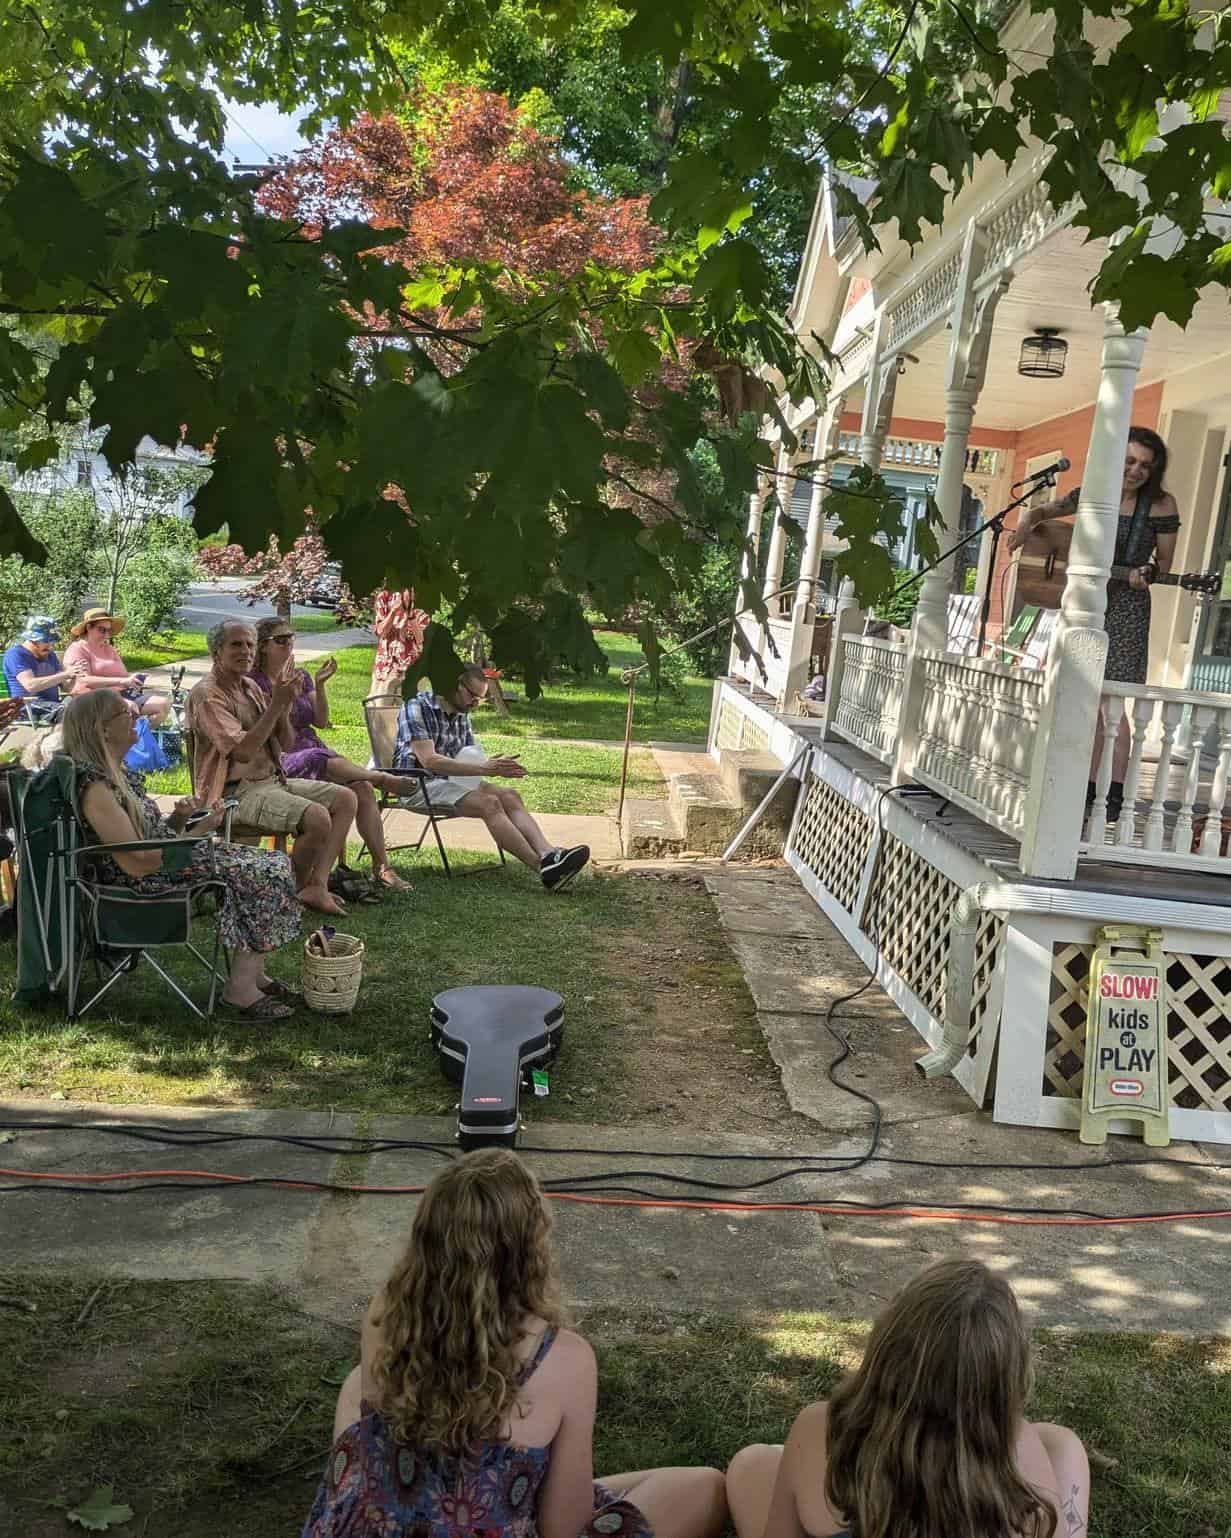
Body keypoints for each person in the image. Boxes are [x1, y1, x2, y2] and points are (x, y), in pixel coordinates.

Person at [303, 1147, 728, 1538]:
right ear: (530, 1247)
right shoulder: (564, 1359)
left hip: (376, 1521)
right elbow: (563, 1527)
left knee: (356, 1384)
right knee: (702, 1487)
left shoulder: (386, 1313)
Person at [726, 1259, 1089, 1538]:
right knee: (1062, 1444)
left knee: (751, 1465)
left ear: (886, 1348)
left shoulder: (818, 1427)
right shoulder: (1021, 1448)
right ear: (1003, 1384)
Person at [61, 690, 303, 1019]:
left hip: (165, 864)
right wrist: (198, 833)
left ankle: (252, 973)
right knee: (262, 871)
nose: (139, 718)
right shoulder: (96, 788)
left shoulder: (118, 775)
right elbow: (137, 863)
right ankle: (240, 990)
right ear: (102, 729)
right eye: (128, 715)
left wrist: (177, 821)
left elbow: (145, 841)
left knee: (272, 861)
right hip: (141, 887)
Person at [1008, 427, 1179, 822]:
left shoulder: (1161, 505)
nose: (1135, 471)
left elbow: (1164, 565)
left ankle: (1113, 796)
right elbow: (1045, 511)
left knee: (1112, 705)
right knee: (1082, 697)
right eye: (1129, 461)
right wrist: (1026, 522)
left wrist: (1147, 572)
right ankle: (1083, 789)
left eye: (1145, 466)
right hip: (1085, 603)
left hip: (1127, 607)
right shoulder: (1093, 493)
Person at [187, 619, 357, 916]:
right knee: (316, 817)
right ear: (217, 652)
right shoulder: (207, 694)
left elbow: (287, 742)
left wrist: (285, 704)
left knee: (346, 798)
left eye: (250, 644)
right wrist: (277, 705)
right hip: (232, 794)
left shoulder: (250, 686)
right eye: (236, 644)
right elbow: (242, 752)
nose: (246, 651)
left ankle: (316, 885)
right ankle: (285, 895)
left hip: (271, 781)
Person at [393, 663, 590, 891]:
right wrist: (485, 769)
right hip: (416, 784)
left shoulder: (461, 714)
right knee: (490, 803)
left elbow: (466, 756)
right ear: (455, 684)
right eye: (473, 695)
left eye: (480, 698)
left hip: (449, 781)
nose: (476, 703)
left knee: (510, 795)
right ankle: (544, 870)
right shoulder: (416, 706)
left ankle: (549, 855)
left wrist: (490, 764)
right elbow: (430, 761)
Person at [249, 617, 412, 891]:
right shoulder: (255, 683)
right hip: (281, 755)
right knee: (316, 757)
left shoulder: (301, 675)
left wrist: (321, 685)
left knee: (361, 788)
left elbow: (322, 721)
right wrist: (285, 701)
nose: (288, 644)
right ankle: (381, 778)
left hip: (312, 745)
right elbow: (280, 738)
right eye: (281, 640)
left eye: (291, 638)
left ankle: (381, 867)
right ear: (263, 646)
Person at [63, 608, 170, 724]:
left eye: (108, 631)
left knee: (163, 704)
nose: (106, 635)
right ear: (88, 627)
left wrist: (133, 679)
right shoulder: (78, 649)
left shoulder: (109, 649)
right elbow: (83, 681)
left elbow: (123, 675)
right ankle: (125, 738)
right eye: (102, 630)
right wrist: (121, 682)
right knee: (129, 708)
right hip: (99, 698)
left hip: (124, 694)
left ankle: (137, 737)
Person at [3, 615, 83, 721]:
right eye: (46, 641)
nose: (50, 646)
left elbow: (66, 687)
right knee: (71, 711)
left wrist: (75, 674)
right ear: (33, 640)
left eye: (52, 641)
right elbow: (30, 685)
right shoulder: (16, 654)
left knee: (87, 706)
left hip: (53, 706)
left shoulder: (50, 655)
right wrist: (65, 674)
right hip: (27, 708)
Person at [370, 587, 430, 699]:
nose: (411, 594)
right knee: (380, 710)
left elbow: (420, 639)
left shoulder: (422, 608)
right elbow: (381, 632)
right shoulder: (385, 597)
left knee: (412, 712)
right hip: (386, 670)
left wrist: (410, 615)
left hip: (412, 672)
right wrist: (393, 612)